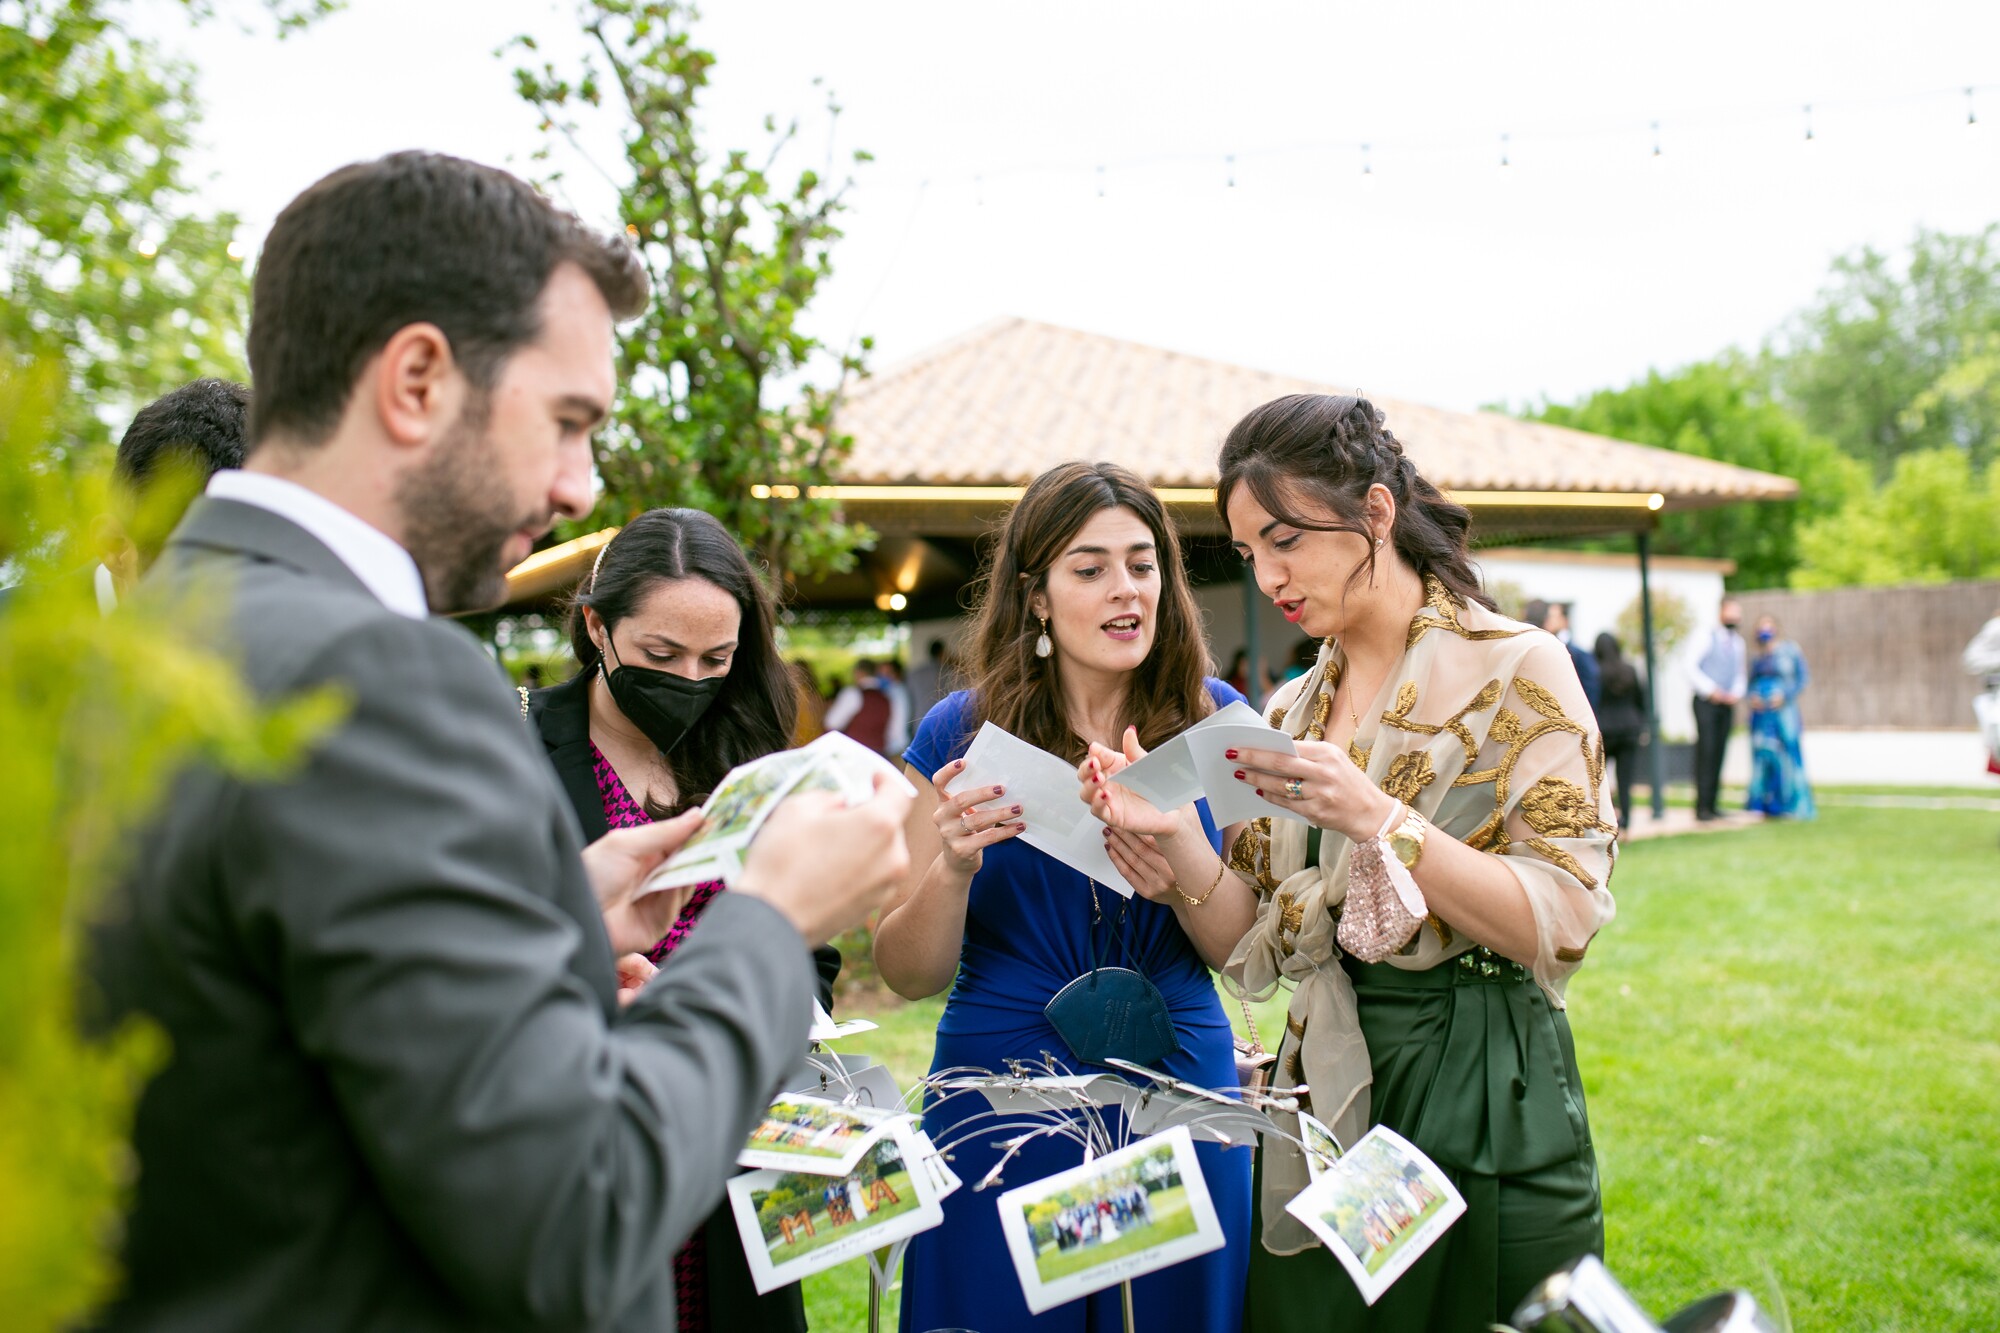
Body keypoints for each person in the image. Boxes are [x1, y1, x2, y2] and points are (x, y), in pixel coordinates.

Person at [86, 151, 912, 1331]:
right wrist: (766, 922)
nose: (580, 488)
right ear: (417, 378)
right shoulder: (384, 679)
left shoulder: (121, 655)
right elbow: (574, 1215)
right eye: (567, 421)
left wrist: (559, 919)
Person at [1090, 394, 1616, 1332]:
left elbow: (1563, 916)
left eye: (1286, 539)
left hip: (1482, 1080)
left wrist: (1384, 820)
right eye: (1250, 553)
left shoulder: (1520, 667)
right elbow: (1248, 938)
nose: (1269, 577)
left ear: (1376, 511)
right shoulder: (1287, 714)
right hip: (1325, 1091)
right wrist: (1173, 847)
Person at [875, 461, 1252, 1333]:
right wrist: (952, 870)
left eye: (1142, 563)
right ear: (1037, 596)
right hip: (1001, 1089)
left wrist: (1186, 859)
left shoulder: (1220, 720)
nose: (1126, 591)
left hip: (1177, 1082)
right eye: (1090, 569)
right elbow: (904, 971)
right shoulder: (957, 736)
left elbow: (1245, 956)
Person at [525, 507, 847, 1333]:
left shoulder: (752, 753)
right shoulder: (517, 754)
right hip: (581, 1157)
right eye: (661, 656)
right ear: (597, 627)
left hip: (732, 1160)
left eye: (718, 659)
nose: (691, 681)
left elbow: (810, 956)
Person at [1744, 615, 1815, 820]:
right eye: (1761, 628)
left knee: (1789, 754)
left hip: (1784, 712)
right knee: (1763, 756)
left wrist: (1784, 696)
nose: (1765, 631)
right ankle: (1765, 804)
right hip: (1761, 715)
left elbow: (1803, 678)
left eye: (1768, 626)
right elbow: (1748, 684)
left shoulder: (1790, 651)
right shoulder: (1757, 658)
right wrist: (1753, 697)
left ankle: (1794, 804)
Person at [1689, 598, 1747, 821]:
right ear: (1721, 612)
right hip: (1706, 702)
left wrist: (1735, 693)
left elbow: (1739, 673)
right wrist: (1711, 690)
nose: (1735, 617)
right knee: (1707, 750)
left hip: (1727, 704)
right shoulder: (1705, 636)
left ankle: (1713, 804)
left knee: (1720, 751)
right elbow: (1690, 666)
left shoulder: (1738, 643)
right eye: (1732, 611)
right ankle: (1701, 806)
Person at [1592, 631, 1648, 830]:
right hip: (1629, 729)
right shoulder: (1630, 670)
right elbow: (1642, 700)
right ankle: (1627, 818)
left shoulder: (1596, 672)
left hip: (1605, 730)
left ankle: (1606, 817)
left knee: (1600, 779)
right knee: (1626, 778)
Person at [1525, 598, 1600, 711]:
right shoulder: (1534, 646)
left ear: (1564, 621)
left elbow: (1591, 686)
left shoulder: (1577, 653)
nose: (1549, 620)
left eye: (1554, 616)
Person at [824, 657, 893, 755]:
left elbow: (832, 723)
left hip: (854, 754)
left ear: (858, 672)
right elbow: (893, 732)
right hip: (879, 756)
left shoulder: (852, 694)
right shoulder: (888, 697)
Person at [907, 637, 949, 721]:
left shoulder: (914, 674)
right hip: (942, 722)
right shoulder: (948, 672)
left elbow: (909, 702)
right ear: (942, 652)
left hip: (919, 722)